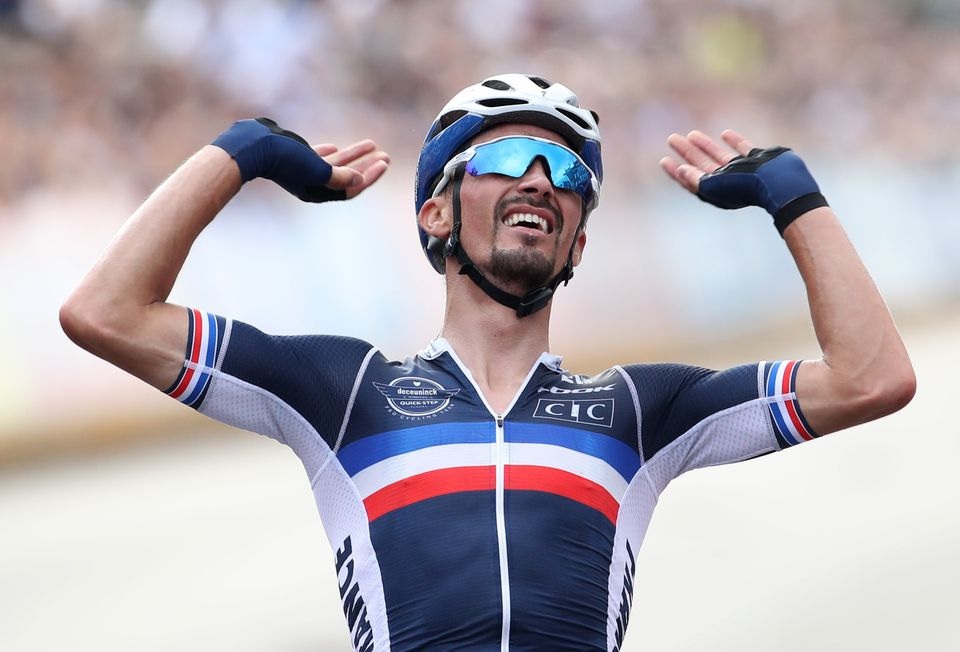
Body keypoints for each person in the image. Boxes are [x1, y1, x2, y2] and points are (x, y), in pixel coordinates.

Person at [60, 74, 915, 651]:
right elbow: (105, 313)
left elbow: (871, 378)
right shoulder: (345, 391)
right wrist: (240, 154)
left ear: (579, 238)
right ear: (436, 212)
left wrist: (794, 197)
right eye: (507, 159)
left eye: (568, 173)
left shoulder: (641, 410)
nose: (540, 180)